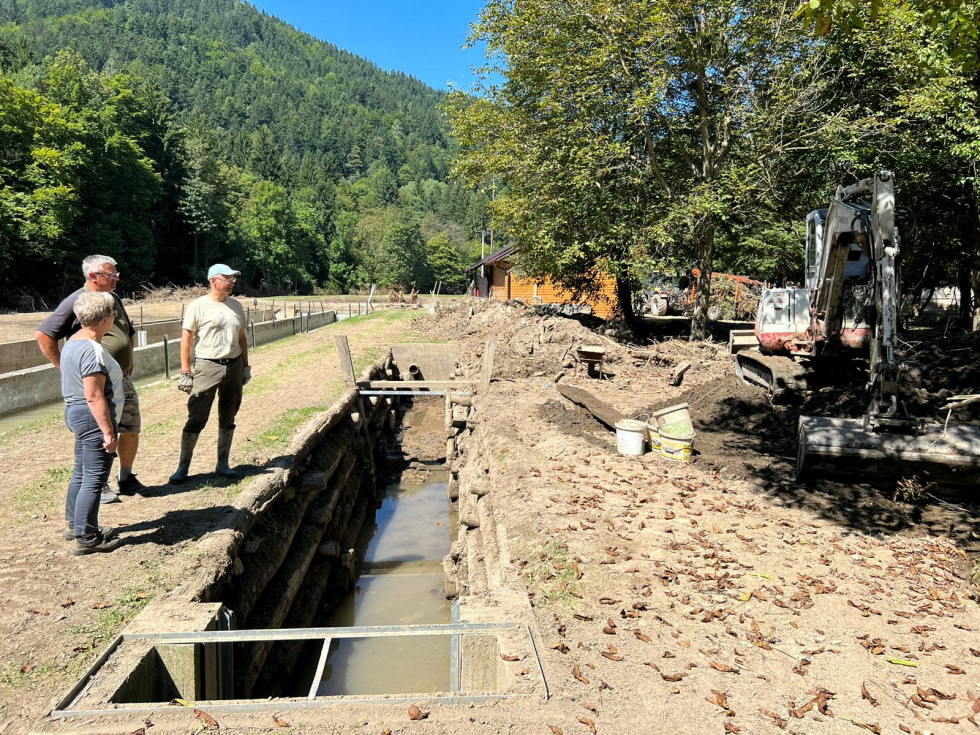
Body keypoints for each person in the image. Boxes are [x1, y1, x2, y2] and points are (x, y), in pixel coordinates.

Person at [36, 255, 144, 502]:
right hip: (97, 380)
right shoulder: (77, 300)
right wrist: (66, 367)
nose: (116, 278)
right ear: (92, 277)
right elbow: (44, 335)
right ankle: (100, 484)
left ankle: (126, 478)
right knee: (101, 432)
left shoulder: (113, 298)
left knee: (130, 426)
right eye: (110, 274)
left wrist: (130, 358)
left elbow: (128, 330)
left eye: (116, 274)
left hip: (120, 377)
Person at [169, 264, 252, 484]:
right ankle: (183, 466)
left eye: (233, 278)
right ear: (214, 280)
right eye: (228, 278)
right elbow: (186, 339)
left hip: (233, 366)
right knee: (197, 415)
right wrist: (185, 372)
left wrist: (245, 366)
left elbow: (241, 338)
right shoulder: (198, 306)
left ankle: (223, 463)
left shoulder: (236, 306)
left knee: (229, 415)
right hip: (207, 366)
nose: (232, 281)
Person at [60, 292, 123, 555]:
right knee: (94, 478)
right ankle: (86, 537)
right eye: (113, 315)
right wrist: (108, 433)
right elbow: (94, 394)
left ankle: (75, 523)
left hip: (75, 412)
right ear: (106, 319)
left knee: (81, 471)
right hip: (91, 416)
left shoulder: (73, 341)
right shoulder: (92, 350)